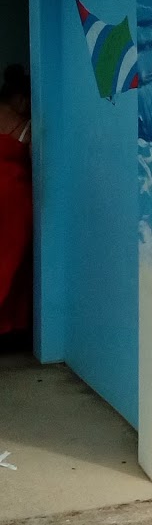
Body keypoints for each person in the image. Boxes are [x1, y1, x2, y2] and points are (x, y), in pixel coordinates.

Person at [0, 64, 32, 349]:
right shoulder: (26, 124)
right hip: (15, 204)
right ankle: (10, 327)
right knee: (11, 264)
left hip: (11, 204)